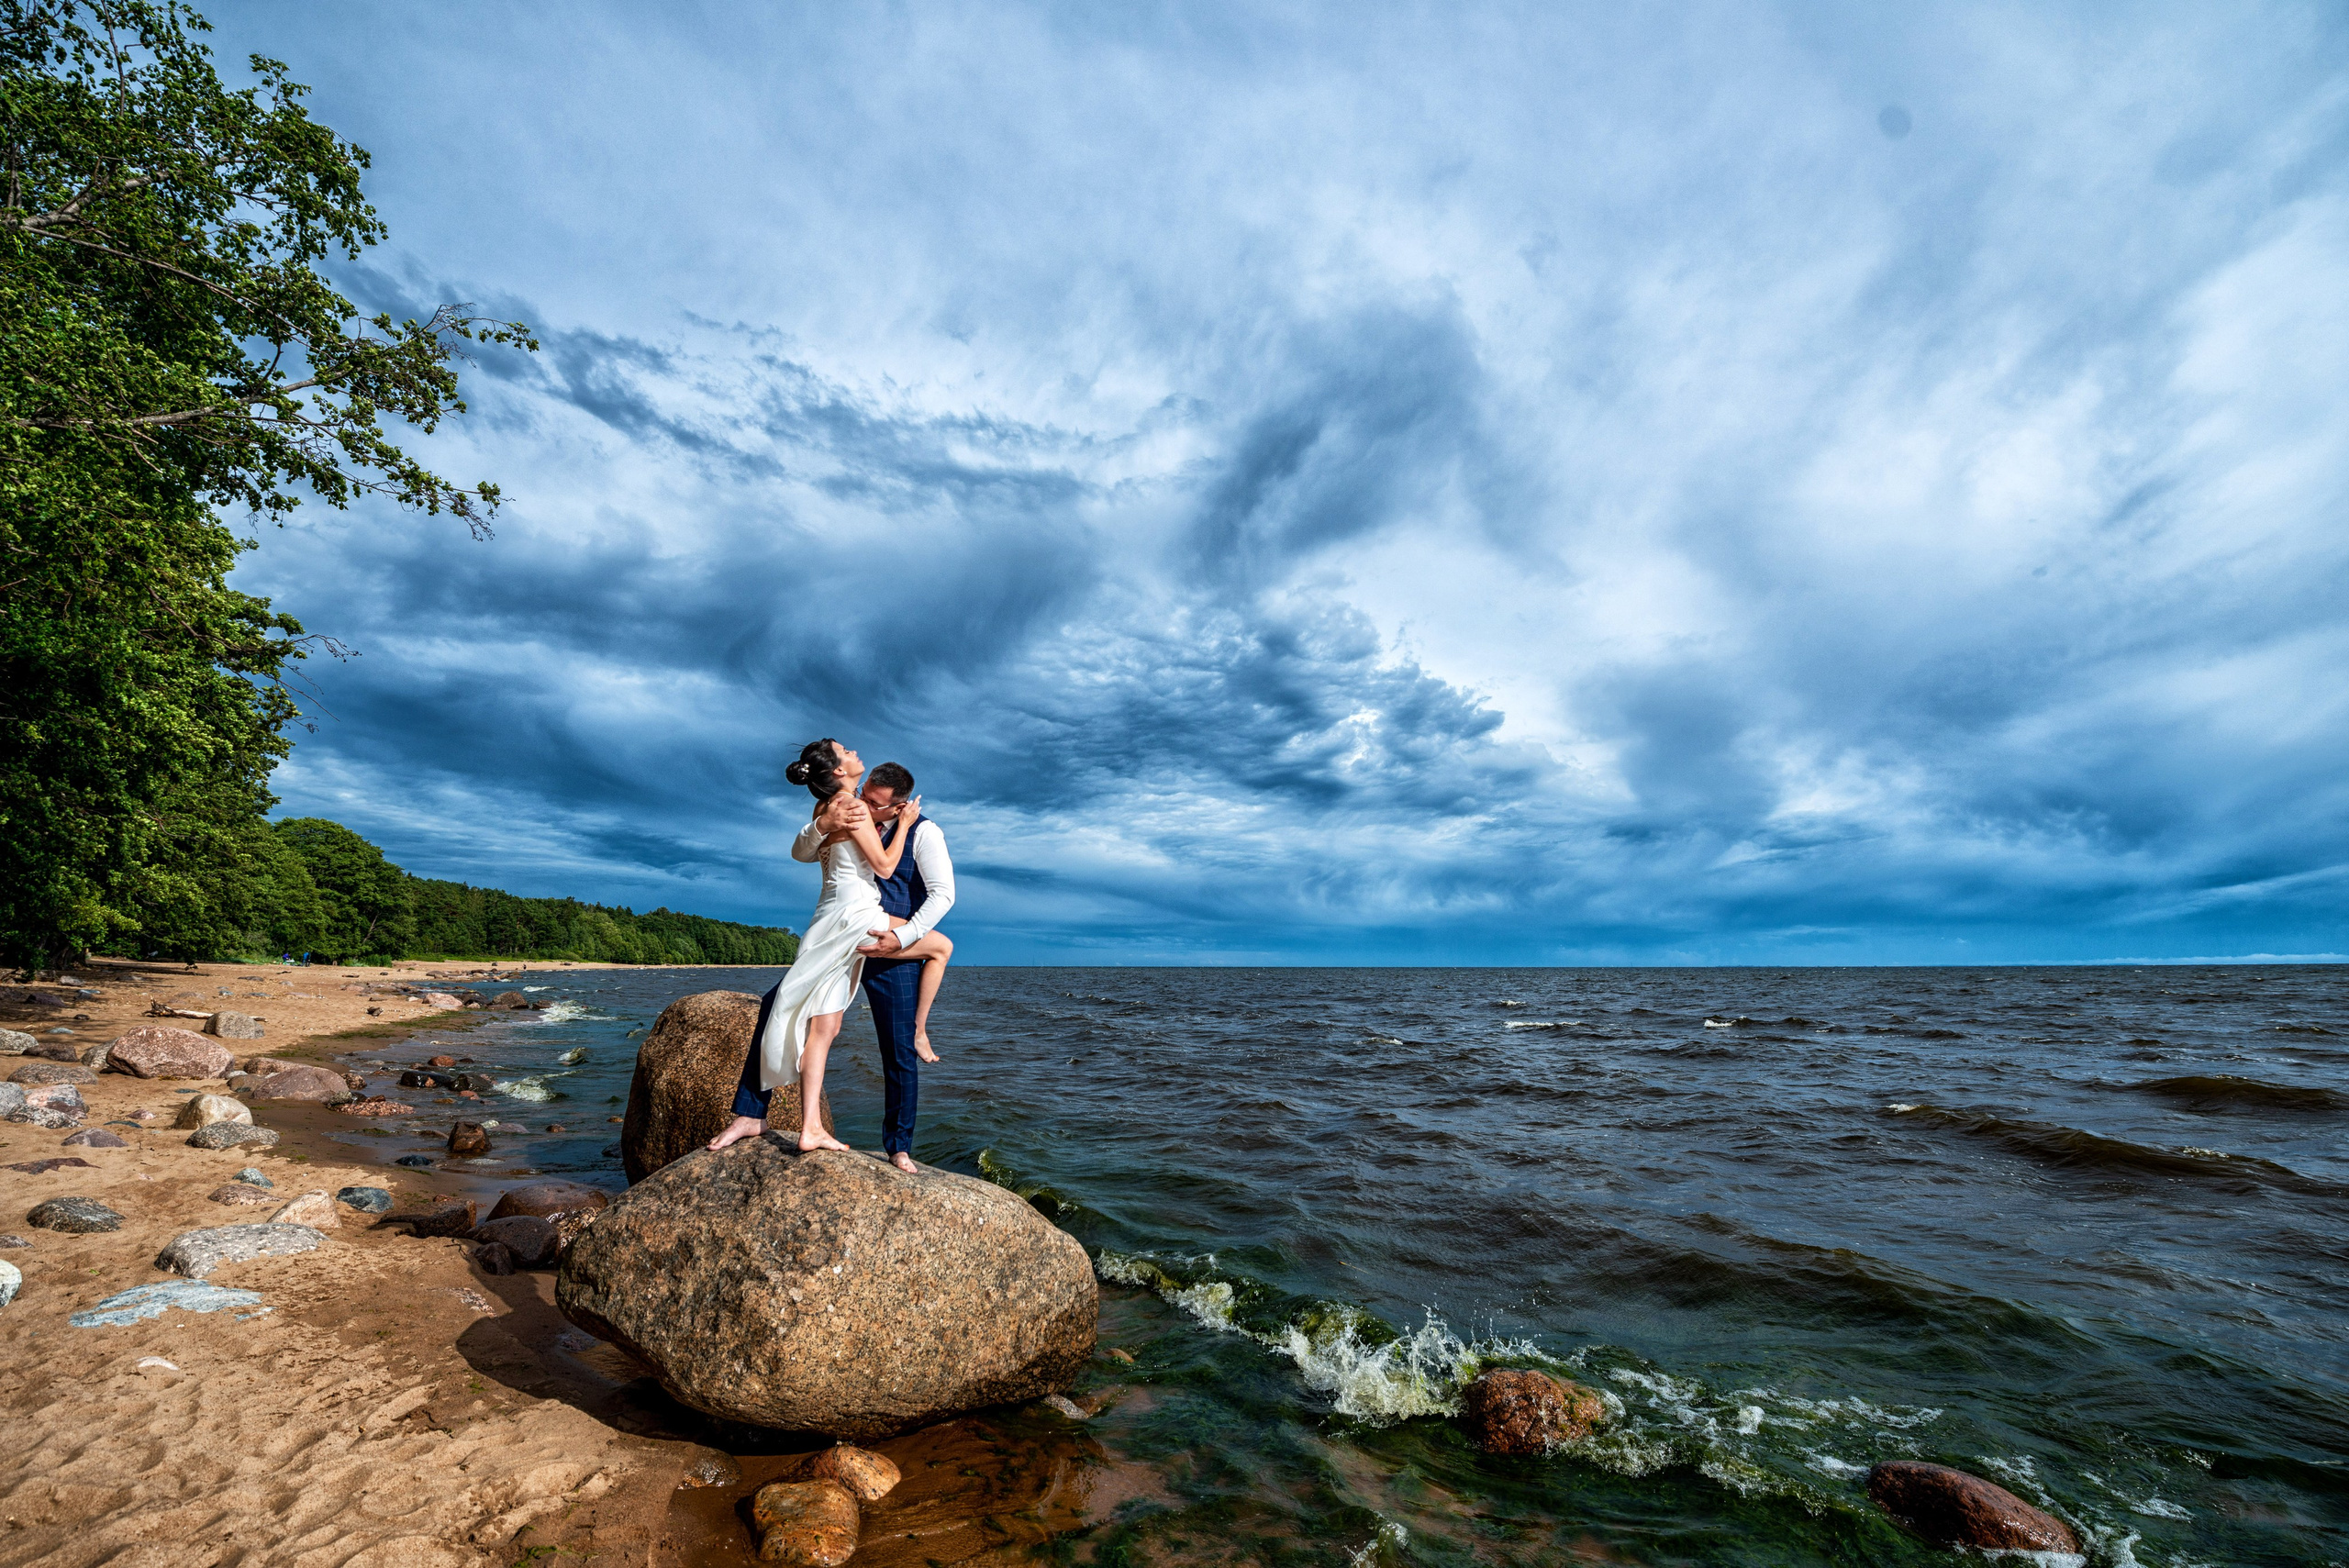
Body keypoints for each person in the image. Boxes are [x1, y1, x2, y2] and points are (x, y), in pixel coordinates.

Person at [707, 740, 955, 1168]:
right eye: (865, 795)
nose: (866, 805)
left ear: (898, 808)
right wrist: (822, 826)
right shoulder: (847, 807)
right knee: (776, 1006)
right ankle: (750, 1114)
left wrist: (905, 936)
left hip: (892, 940)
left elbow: (942, 894)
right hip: (850, 924)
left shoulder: (924, 831)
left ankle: (898, 1147)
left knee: (896, 1050)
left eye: (876, 804)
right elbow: (811, 847)